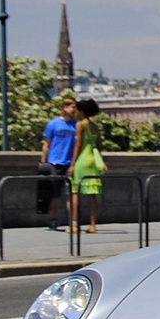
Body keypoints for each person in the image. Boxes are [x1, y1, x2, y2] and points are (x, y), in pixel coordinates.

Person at [38, 95, 79, 230]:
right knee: (54, 194)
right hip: (55, 162)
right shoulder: (54, 123)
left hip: (70, 162)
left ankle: (72, 221)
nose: (74, 110)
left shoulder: (76, 125)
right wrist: (44, 163)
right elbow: (46, 144)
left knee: (71, 194)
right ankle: (53, 219)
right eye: (72, 107)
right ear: (65, 108)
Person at [69, 97, 107, 234]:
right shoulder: (95, 127)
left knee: (75, 192)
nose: (75, 112)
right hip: (92, 160)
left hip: (82, 160)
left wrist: (72, 165)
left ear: (82, 111)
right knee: (92, 195)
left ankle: (75, 224)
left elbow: (77, 146)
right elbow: (99, 146)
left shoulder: (80, 125)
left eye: (77, 110)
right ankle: (93, 225)